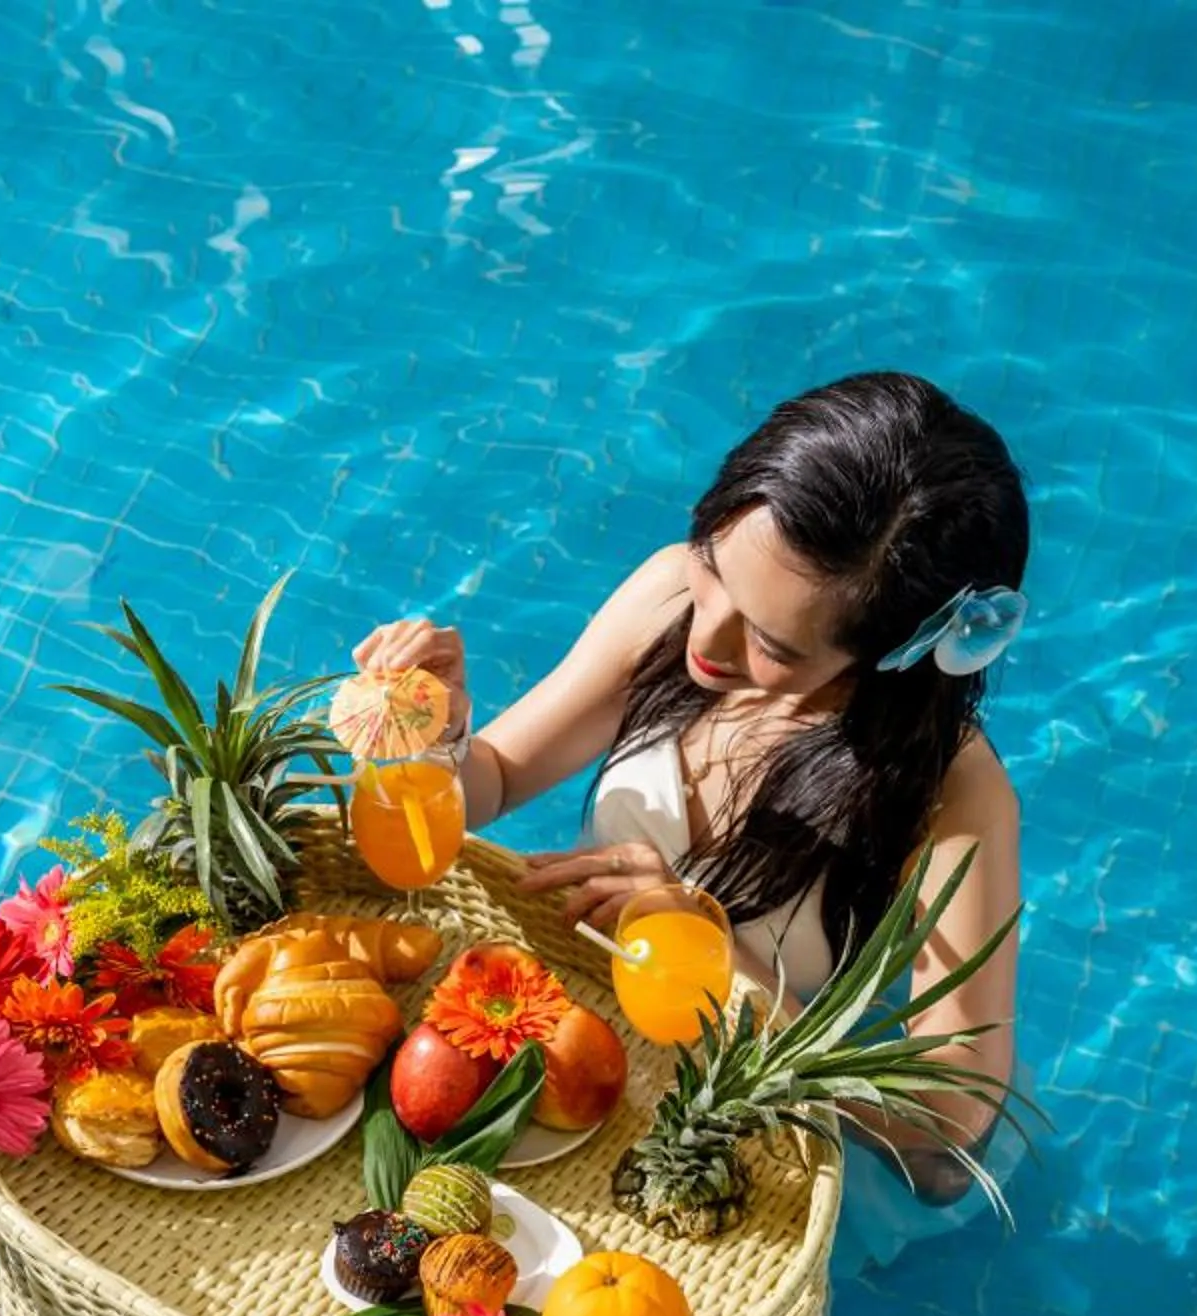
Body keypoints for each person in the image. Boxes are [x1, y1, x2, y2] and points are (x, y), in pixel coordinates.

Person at [353, 372, 1029, 1246]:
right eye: (714, 566)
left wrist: (711, 961)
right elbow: (492, 782)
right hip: (571, 1050)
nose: (706, 639)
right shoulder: (674, 595)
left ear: (889, 655)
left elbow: (948, 1131)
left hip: (758, 1130)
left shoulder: (952, 795)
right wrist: (437, 733)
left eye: (773, 644)